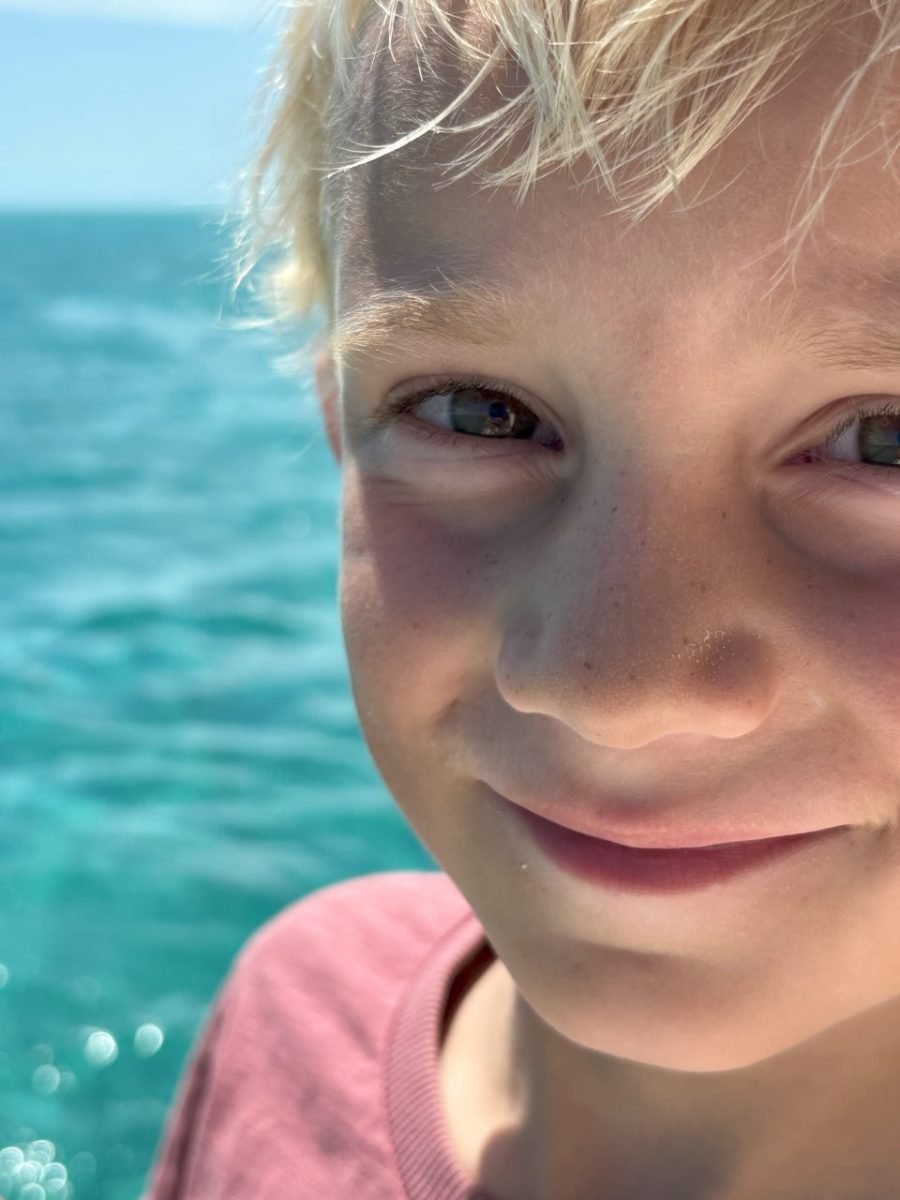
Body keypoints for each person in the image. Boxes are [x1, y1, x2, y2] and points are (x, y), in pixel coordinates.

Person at [141, 1, 900, 1197]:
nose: (617, 690)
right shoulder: (295, 1009)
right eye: (477, 414)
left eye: (886, 439)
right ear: (341, 432)